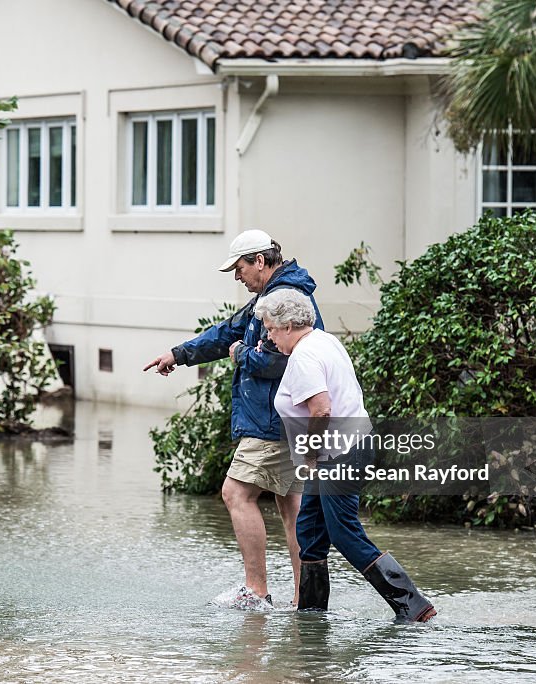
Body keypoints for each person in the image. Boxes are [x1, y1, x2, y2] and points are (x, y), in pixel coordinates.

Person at [144, 229, 323, 608]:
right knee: (291, 508)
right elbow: (227, 332)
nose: (237, 277)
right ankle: (302, 599)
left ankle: (256, 592)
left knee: (235, 493)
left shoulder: (281, 299)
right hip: (289, 417)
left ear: (260, 261)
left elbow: (280, 358)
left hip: (272, 420)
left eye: (239, 268)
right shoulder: (274, 294)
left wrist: (241, 355)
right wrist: (178, 354)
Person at [254, 287, 436, 622]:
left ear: (289, 325)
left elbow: (322, 410)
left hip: (337, 455)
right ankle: (310, 613)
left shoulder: (304, 356)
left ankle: (413, 607)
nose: (268, 337)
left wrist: (308, 457)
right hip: (350, 446)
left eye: (270, 329)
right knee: (308, 531)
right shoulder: (324, 340)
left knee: (344, 533)